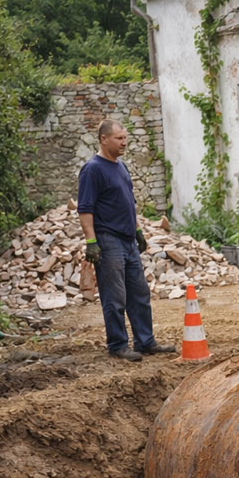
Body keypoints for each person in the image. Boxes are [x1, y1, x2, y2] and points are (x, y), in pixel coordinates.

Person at [77, 119, 175, 361]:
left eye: (125, 138)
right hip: (108, 240)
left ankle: (145, 341)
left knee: (139, 292)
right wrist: (91, 241)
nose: (124, 143)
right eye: (119, 138)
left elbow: (129, 203)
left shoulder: (121, 167)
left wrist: (138, 230)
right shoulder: (93, 169)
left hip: (128, 240)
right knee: (115, 295)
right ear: (104, 139)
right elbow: (85, 208)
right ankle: (118, 345)